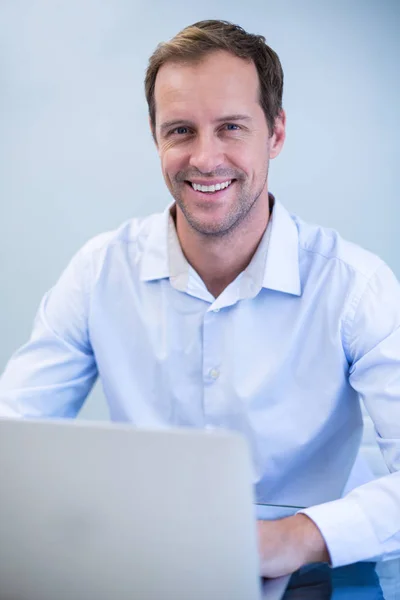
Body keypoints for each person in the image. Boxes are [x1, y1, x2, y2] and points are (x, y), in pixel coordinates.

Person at [0, 19, 399, 579]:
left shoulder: (356, 287)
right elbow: (10, 440)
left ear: (276, 134)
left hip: (309, 573)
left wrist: (287, 540)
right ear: (156, 137)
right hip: (138, 567)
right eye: (181, 130)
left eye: (232, 127)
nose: (205, 158)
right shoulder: (99, 272)